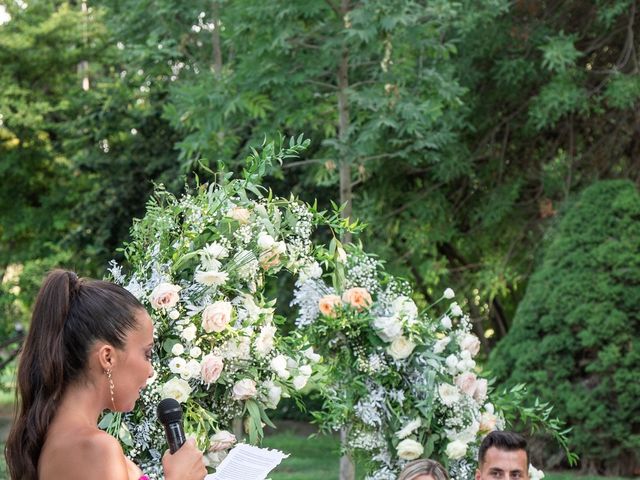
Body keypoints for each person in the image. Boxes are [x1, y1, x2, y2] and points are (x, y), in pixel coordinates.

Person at [4, 270, 207, 480]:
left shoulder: (61, 437)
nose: (151, 371)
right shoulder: (95, 449)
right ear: (108, 357)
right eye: (147, 354)